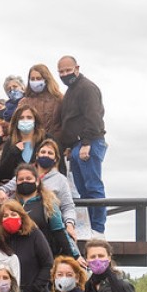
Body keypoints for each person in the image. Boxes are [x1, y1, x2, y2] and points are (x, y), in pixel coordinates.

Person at [58, 55, 107, 238]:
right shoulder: (70, 91)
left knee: (93, 186)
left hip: (90, 141)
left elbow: (93, 116)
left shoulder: (87, 88)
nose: (65, 74)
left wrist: (87, 143)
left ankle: (98, 229)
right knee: (82, 189)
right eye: (61, 72)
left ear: (77, 68)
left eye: (68, 70)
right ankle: (88, 228)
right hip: (76, 144)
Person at [0, 200, 53, 292]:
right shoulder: (0, 241)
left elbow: (48, 264)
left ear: (22, 216)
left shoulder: (34, 235)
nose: (9, 218)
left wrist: (33, 290)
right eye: (5, 216)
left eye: (13, 214)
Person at [12, 164, 80, 259]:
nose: (24, 182)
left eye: (28, 178)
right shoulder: (11, 204)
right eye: (21, 179)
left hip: (44, 256)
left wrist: (76, 256)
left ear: (37, 181)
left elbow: (59, 231)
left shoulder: (48, 203)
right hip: (17, 256)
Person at [0, 105, 46, 184]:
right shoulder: (10, 142)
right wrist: (14, 152)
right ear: (16, 122)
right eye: (21, 118)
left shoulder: (45, 140)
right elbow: (2, 174)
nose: (25, 120)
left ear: (35, 120)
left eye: (29, 117)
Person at [17, 63, 64, 148]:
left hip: (54, 146)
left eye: (38, 78)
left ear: (46, 79)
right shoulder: (24, 102)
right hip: (30, 147)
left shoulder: (59, 99)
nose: (35, 81)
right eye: (32, 79)